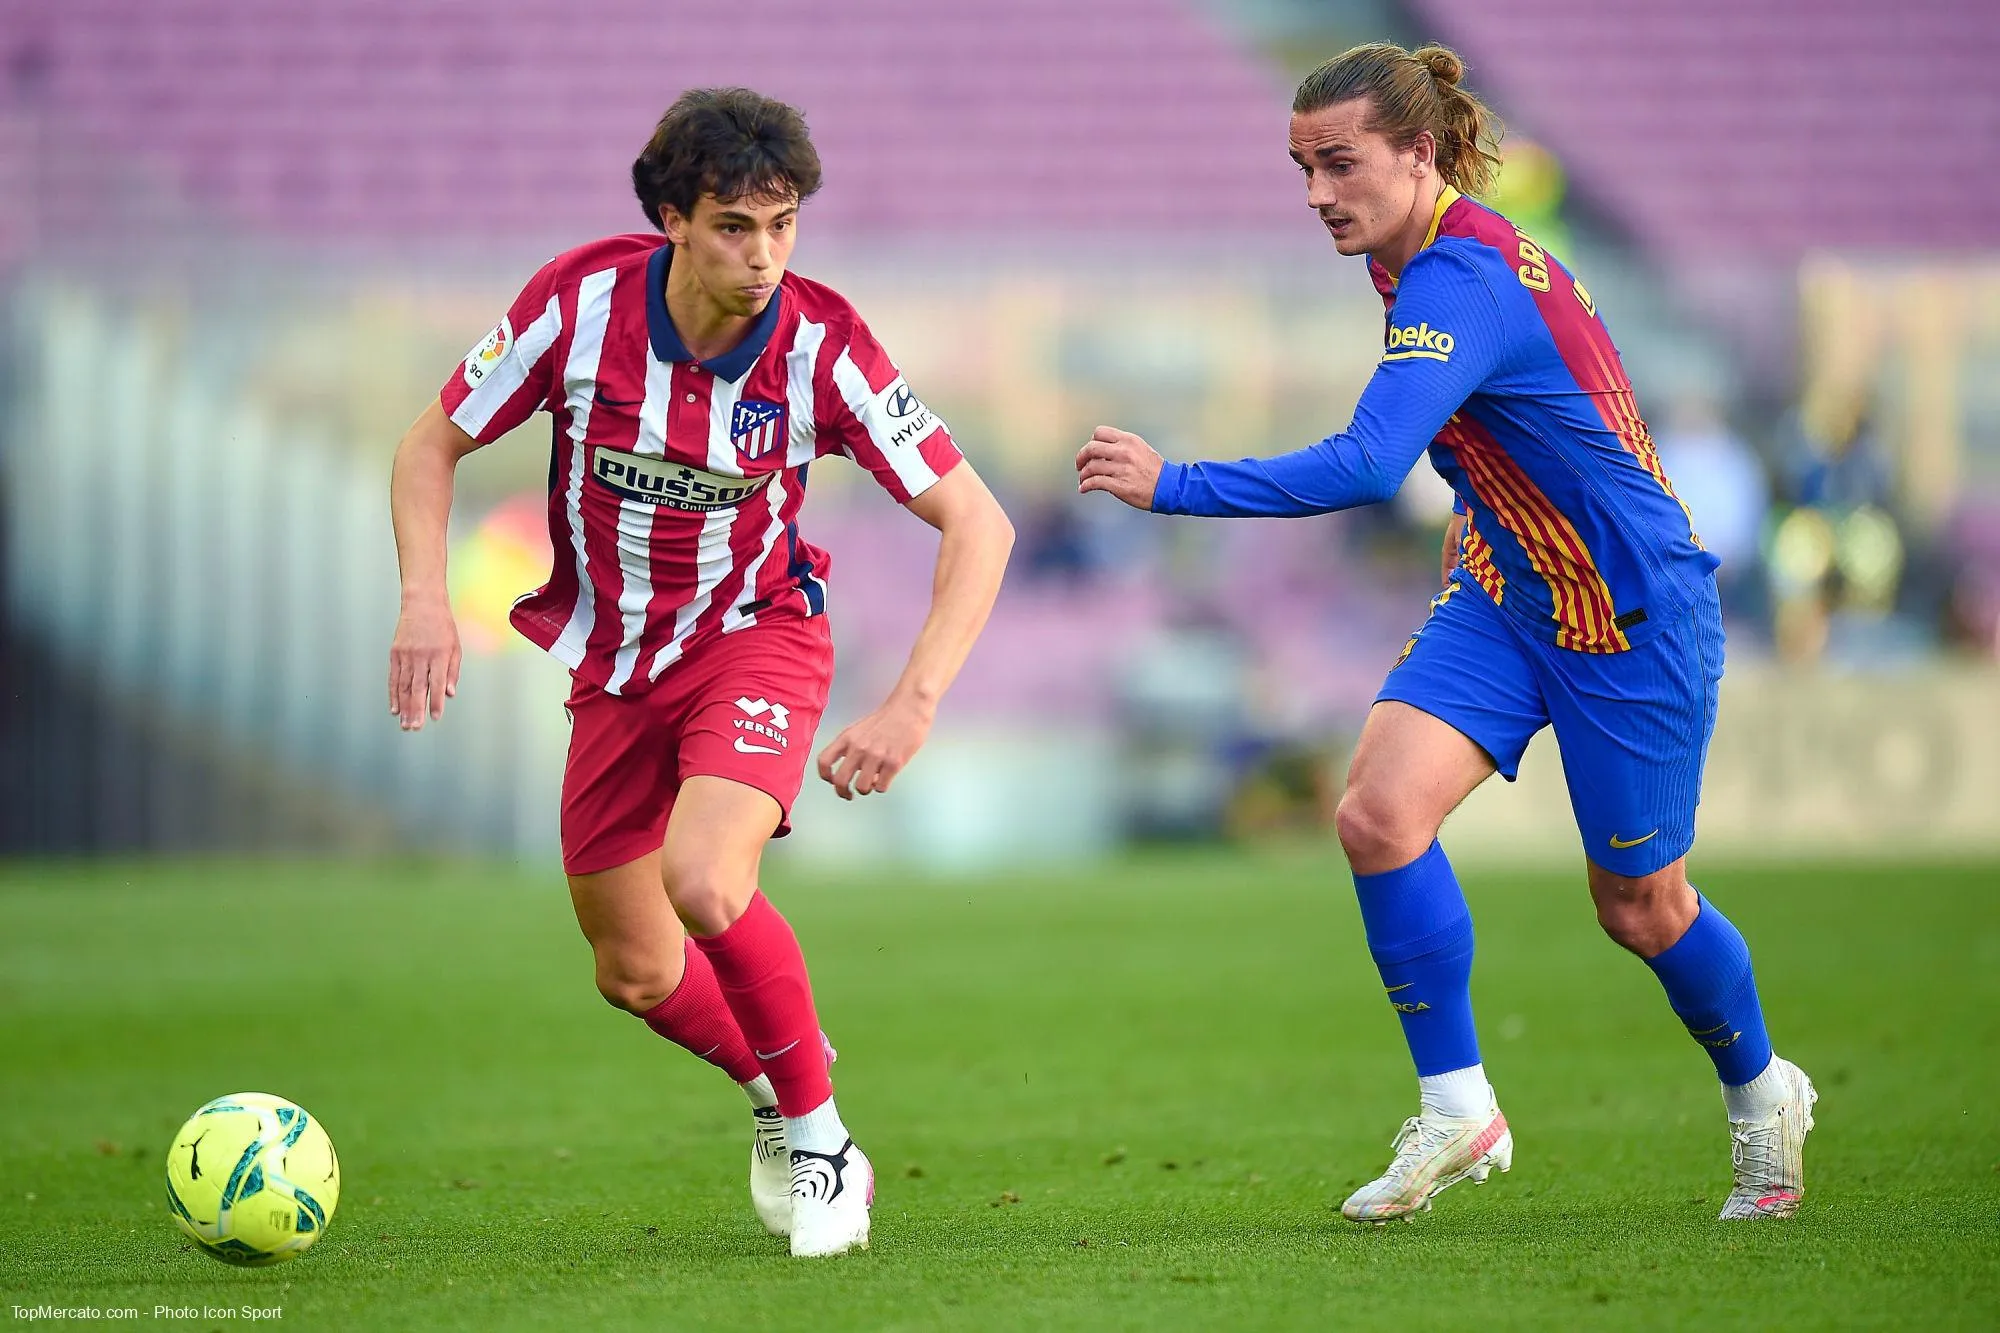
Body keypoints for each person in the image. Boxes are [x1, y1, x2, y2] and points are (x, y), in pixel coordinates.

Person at [1075, 43, 1813, 1223]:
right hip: (1505, 589)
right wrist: (1482, 514)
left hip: (1627, 615)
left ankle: (1763, 1092)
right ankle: (1458, 1106)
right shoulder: (1413, 251)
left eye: (1338, 164)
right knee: (1374, 815)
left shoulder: (1454, 281)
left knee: (1637, 905)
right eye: (1301, 166)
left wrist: (1175, 484)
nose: (1316, 192)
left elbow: (1371, 462)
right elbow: (1512, 423)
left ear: (1418, 155)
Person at [388, 88, 1014, 1257]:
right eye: (735, 224)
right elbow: (431, 443)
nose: (764, 254)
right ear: (670, 216)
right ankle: (783, 1078)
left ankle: (824, 1148)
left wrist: (911, 700)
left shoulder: (824, 344)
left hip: (755, 634)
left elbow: (977, 521)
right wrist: (426, 596)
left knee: (707, 881)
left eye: (782, 224)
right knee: (630, 969)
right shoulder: (575, 307)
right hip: (615, 665)